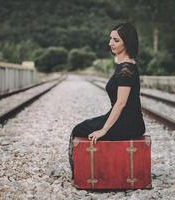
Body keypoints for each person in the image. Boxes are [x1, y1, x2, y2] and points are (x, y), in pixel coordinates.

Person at [68, 22, 145, 179]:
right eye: (111, 39)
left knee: (78, 130)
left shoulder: (126, 69)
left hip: (128, 123)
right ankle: (83, 172)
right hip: (127, 120)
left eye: (116, 40)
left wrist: (104, 130)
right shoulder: (124, 65)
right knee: (82, 127)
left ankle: (80, 174)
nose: (111, 43)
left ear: (127, 43)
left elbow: (121, 103)